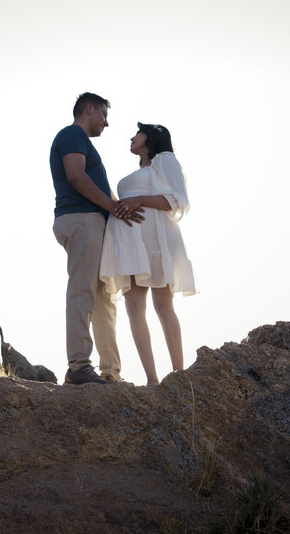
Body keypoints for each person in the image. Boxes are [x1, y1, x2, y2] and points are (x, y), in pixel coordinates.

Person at [50, 92, 137, 385]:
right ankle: (78, 366)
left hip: (93, 222)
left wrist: (120, 209)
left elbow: (99, 185)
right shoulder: (73, 134)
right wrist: (112, 206)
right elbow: (76, 176)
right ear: (89, 108)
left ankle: (110, 371)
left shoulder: (81, 140)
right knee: (82, 290)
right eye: (103, 115)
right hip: (81, 220)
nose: (107, 123)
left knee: (103, 298)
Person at [99, 123, 195, 386]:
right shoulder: (140, 171)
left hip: (155, 238)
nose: (132, 137)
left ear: (151, 138)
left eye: (138, 133)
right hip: (129, 241)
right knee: (134, 309)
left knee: (163, 305)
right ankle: (152, 380)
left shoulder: (165, 160)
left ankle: (178, 374)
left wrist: (138, 200)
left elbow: (177, 201)